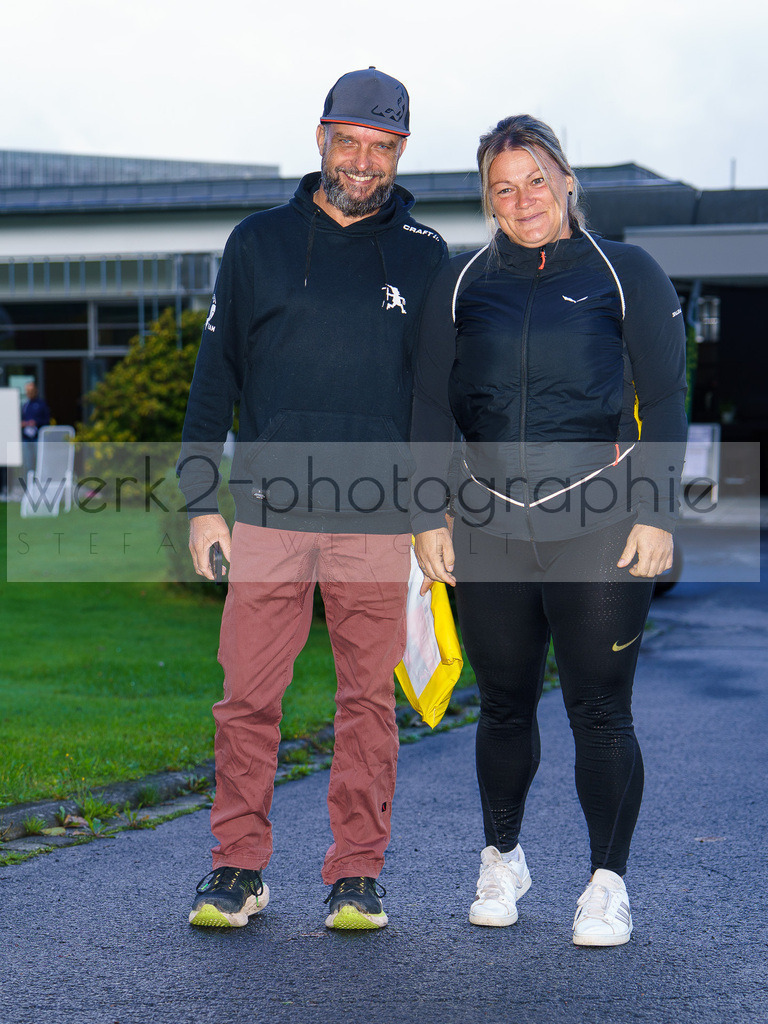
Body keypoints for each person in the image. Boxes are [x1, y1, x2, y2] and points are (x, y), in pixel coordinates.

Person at [178, 68, 447, 931]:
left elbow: (433, 399)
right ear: (321, 138)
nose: (363, 161)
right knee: (247, 697)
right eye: (350, 141)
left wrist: (433, 509)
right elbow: (213, 378)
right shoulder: (256, 243)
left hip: (376, 520)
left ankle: (356, 874)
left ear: (399, 152)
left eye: (382, 147)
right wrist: (200, 501)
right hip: (265, 513)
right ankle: (237, 867)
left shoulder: (424, 255)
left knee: (367, 702)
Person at [411, 115, 687, 946]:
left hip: (599, 523)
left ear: (567, 179)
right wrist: (427, 509)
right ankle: (503, 857)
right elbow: (428, 406)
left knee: (599, 709)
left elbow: (669, 400)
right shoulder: (461, 285)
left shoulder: (625, 271)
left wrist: (660, 510)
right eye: (504, 186)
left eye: (537, 179)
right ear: (487, 199)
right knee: (500, 704)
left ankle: (607, 883)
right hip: (489, 523)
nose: (523, 198)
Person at [20, 380, 50, 477]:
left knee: (39, 462)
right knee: (28, 463)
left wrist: (36, 423)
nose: (29, 393)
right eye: (27, 391)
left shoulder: (41, 404)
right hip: (26, 438)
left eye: (31, 391)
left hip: (37, 438)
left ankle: (40, 482)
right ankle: (29, 485)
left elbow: (47, 420)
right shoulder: (25, 405)